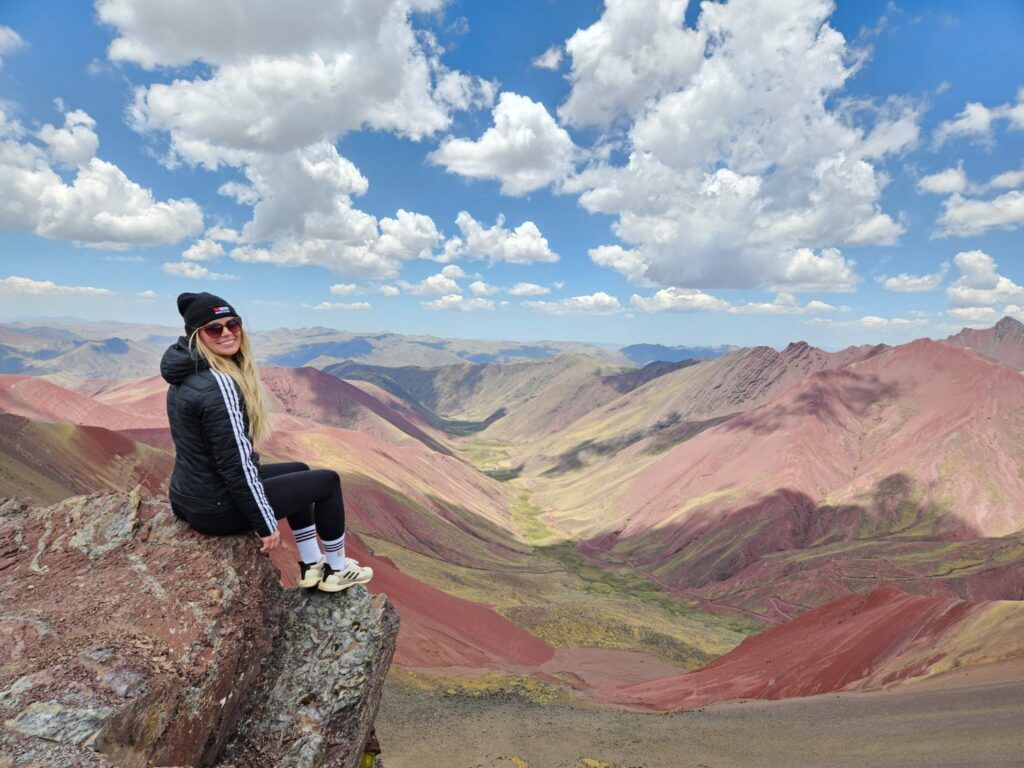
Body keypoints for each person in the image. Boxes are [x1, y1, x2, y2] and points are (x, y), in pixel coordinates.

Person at [160, 291, 373, 593]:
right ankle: (336, 570)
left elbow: (208, 453)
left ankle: (312, 564)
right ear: (197, 335)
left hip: (193, 498)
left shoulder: (185, 371)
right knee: (328, 481)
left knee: (299, 469)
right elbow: (236, 463)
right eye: (214, 328)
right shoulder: (217, 385)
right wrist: (264, 521)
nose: (226, 333)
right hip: (218, 508)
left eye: (233, 324)